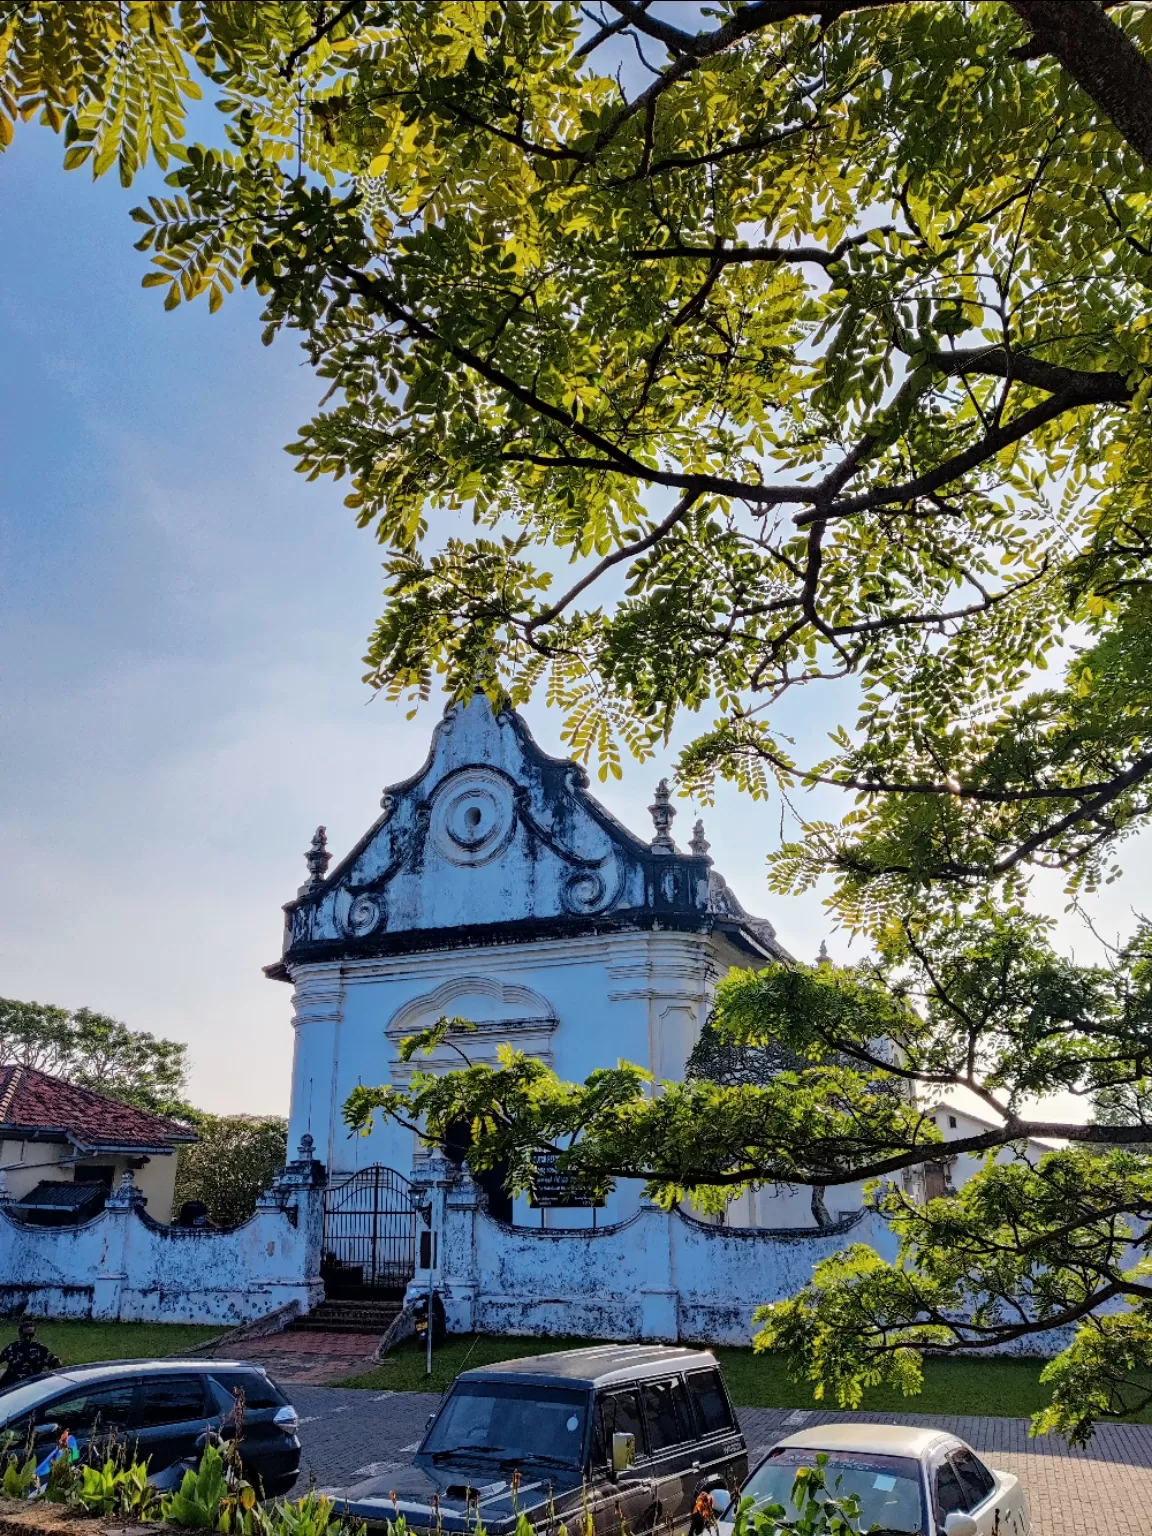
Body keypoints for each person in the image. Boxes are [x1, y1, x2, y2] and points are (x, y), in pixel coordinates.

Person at [0, 1320, 60, 1389]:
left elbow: (56, 1364)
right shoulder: (12, 1347)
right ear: (20, 1333)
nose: (28, 1338)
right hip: (10, 1384)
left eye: (31, 1335)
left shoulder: (39, 1348)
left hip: (31, 1385)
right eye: (25, 1335)